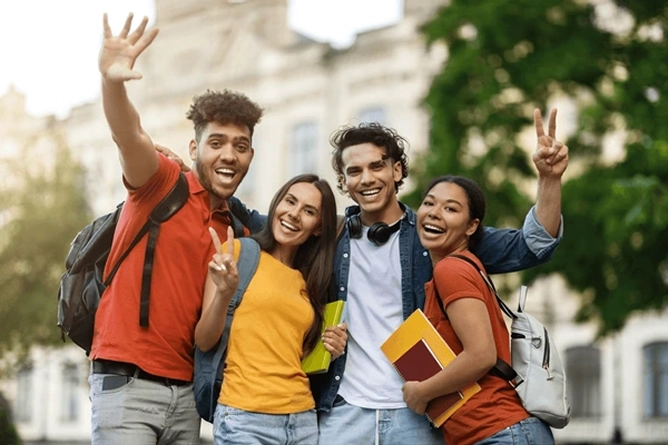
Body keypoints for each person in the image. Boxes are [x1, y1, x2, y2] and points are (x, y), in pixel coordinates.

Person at [312, 112, 566, 445]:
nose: (367, 178)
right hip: (344, 411)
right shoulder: (328, 241)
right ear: (343, 182)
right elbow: (274, 229)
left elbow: (533, 246)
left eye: (377, 166)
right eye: (354, 171)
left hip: (420, 412)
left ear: (397, 170)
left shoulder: (436, 235)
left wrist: (549, 178)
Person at [89, 13, 263, 444]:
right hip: (127, 384)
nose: (229, 155)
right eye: (216, 142)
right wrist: (112, 82)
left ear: (250, 156)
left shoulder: (236, 231)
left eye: (240, 146)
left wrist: (224, 293)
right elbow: (128, 135)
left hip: (187, 397)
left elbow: (208, 332)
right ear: (194, 148)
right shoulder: (161, 182)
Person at [196, 174, 345, 445]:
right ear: (277, 204)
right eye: (290, 201)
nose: (294, 214)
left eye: (309, 211)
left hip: (302, 421)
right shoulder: (238, 253)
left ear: (318, 228)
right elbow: (204, 340)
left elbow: (294, 354)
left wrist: (331, 347)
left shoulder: (312, 284)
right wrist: (224, 294)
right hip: (245, 418)